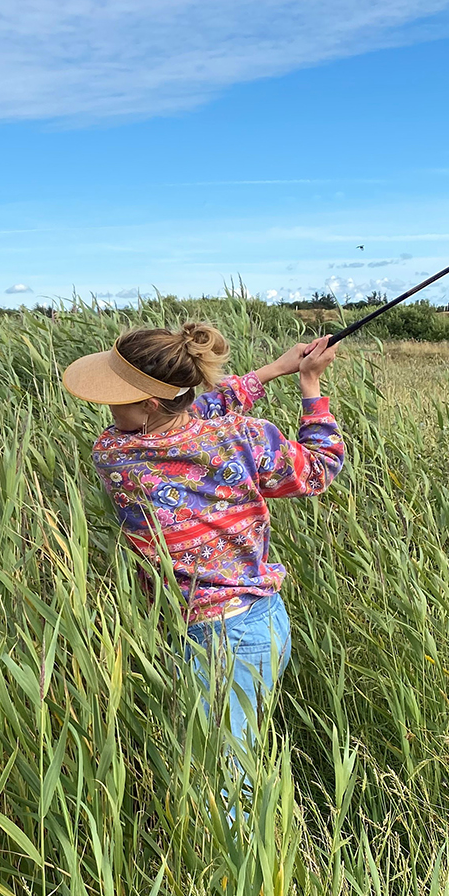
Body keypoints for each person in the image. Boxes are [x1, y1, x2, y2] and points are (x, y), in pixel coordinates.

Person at [62, 321, 344, 758]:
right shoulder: (244, 438)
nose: (109, 408)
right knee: (231, 763)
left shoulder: (114, 454)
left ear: (150, 405)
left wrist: (272, 371)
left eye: (117, 399)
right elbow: (320, 467)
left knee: (223, 780)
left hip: (213, 639)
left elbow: (196, 410)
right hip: (261, 621)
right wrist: (309, 382)